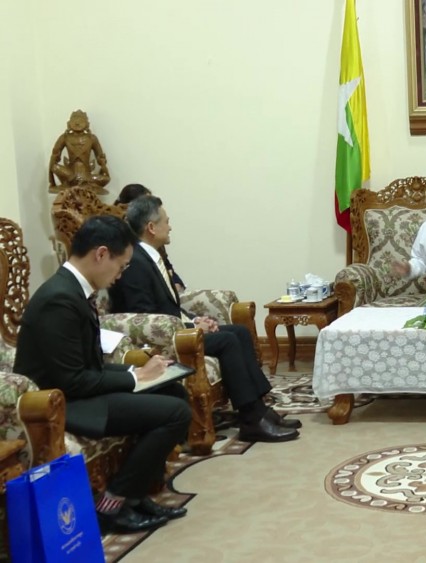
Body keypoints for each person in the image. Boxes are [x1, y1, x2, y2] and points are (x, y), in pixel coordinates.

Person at [14, 215, 191, 533]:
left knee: (173, 392)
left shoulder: (72, 290)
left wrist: (138, 370)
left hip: (77, 391)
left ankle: (136, 496)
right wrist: (136, 378)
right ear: (101, 254)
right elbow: (72, 380)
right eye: (121, 266)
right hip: (59, 404)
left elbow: (88, 365)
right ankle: (113, 504)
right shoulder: (59, 299)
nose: (121, 275)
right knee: (175, 412)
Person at [109, 196, 301, 443]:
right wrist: (190, 327)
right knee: (228, 341)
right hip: (163, 341)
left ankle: (260, 409)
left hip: (177, 328)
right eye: (166, 221)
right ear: (151, 227)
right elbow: (144, 315)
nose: (170, 227)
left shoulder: (151, 256)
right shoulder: (135, 262)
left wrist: (195, 319)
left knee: (239, 332)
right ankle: (251, 420)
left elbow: (169, 306)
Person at [113, 183, 186, 293]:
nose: (170, 228)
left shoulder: (155, 245)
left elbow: (169, 270)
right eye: (147, 203)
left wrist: (175, 285)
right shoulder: (130, 257)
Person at [48, 110, 111, 193]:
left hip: (87, 176)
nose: (77, 123)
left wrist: (103, 165)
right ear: (69, 123)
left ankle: (84, 182)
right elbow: (54, 158)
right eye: (74, 119)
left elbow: (100, 158)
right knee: (55, 167)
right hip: (69, 174)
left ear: (87, 124)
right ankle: (74, 181)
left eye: (81, 120)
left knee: (106, 179)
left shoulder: (92, 138)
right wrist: (52, 181)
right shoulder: (64, 138)